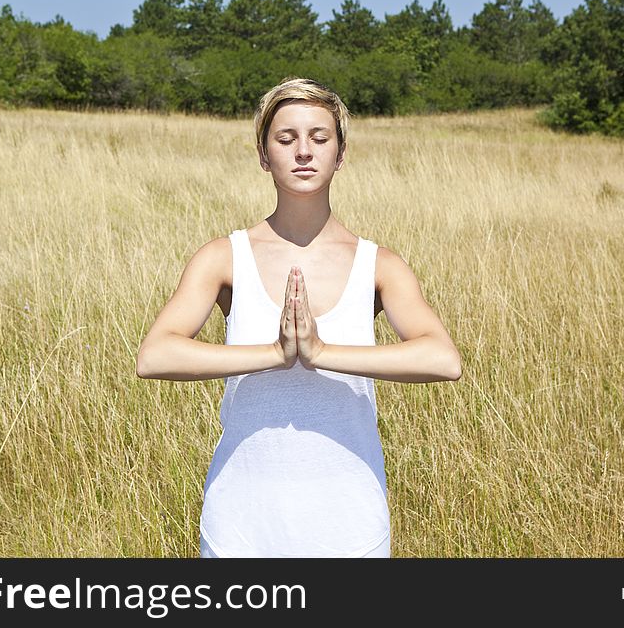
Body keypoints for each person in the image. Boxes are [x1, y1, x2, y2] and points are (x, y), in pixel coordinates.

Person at [136, 77, 461, 558]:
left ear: (341, 153)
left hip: (351, 525)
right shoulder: (224, 256)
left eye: (320, 138)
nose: (303, 151)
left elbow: (443, 359)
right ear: (264, 154)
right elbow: (154, 355)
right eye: (286, 139)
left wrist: (323, 354)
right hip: (240, 525)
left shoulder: (379, 264)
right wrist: (274, 354)